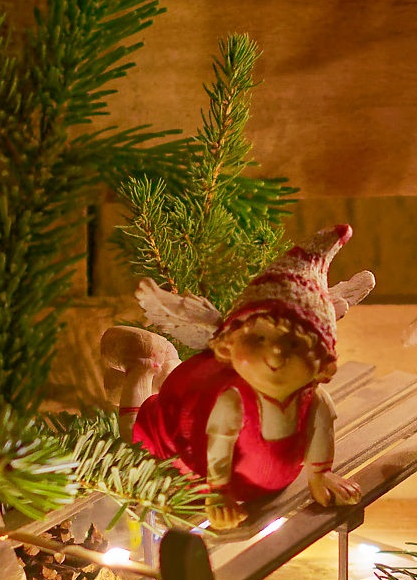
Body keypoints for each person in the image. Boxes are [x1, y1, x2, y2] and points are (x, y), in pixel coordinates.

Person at [133, 225, 371, 529]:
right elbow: (218, 449)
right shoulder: (233, 401)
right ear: (229, 344)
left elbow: (320, 433)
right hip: (194, 475)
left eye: (294, 344)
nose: (276, 353)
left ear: (321, 361)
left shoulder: (314, 400)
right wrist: (218, 492)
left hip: (276, 485)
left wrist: (319, 473)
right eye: (258, 339)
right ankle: (142, 375)